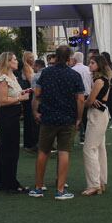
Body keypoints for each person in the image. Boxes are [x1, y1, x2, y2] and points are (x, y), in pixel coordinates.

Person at [30, 45, 85, 200]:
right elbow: (80, 99)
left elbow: (37, 94)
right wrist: (79, 117)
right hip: (67, 119)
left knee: (43, 151)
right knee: (64, 152)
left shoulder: (46, 73)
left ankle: (38, 187)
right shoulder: (74, 75)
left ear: (55, 56)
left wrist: (35, 111)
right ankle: (60, 190)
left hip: (48, 118)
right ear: (69, 58)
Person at [0, 52, 30, 194]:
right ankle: (9, 182)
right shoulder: (3, 79)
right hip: (8, 116)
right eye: (14, 59)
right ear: (7, 62)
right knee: (9, 150)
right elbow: (2, 100)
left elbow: (12, 95)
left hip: (12, 115)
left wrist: (22, 94)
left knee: (6, 149)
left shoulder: (12, 77)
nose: (17, 61)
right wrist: (21, 99)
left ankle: (3, 179)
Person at [81, 55, 112, 196]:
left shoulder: (99, 81)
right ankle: (100, 182)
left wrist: (87, 100)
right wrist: (90, 99)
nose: (90, 65)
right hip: (101, 114)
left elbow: (89, 101)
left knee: (89, 149)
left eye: (93, 63)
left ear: (99, 65)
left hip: (97, 115)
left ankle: (94, 184)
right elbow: (93, 99)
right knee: (100, 149)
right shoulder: (105, 79)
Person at [20, 51, 39, 151]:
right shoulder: (26, 67)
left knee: (30, 119)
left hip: (30, 95)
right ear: (26, 58)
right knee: (29, 119)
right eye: (31, 57)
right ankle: (30, 143)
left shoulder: (30, 68)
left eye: (33, 57)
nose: (33, 59)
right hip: (29, 96)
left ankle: (31, 143)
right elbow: (32, 81)